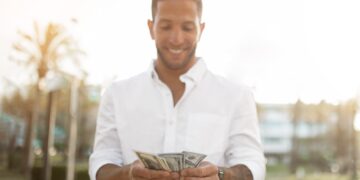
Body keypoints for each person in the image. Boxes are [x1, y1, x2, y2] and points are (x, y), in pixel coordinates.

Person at [89, 0, 266, 179]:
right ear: (151, 28)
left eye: (187, 28)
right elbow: (101, 162)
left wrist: (220, 175)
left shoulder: (237, 96)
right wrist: (127, 174)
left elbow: (253, 163)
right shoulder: (117, 94)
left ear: (201, 30)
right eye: (166, 27)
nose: (176, 39)